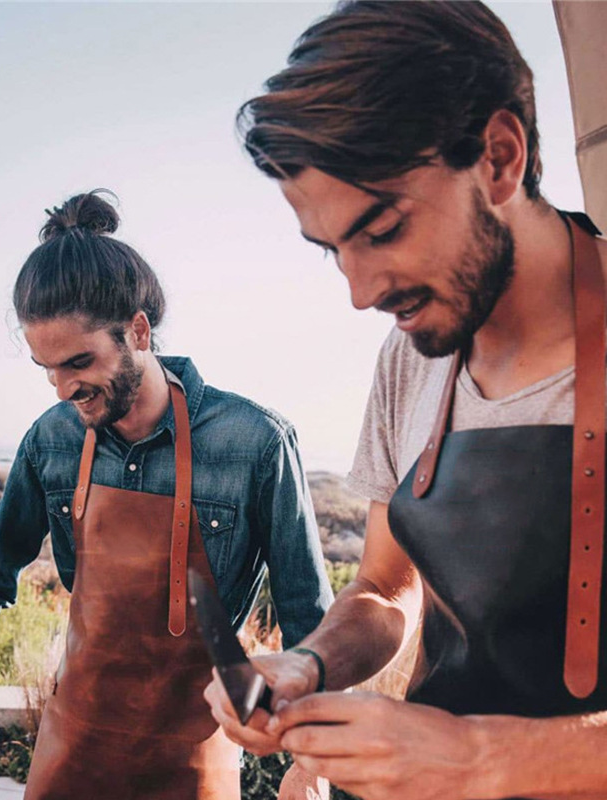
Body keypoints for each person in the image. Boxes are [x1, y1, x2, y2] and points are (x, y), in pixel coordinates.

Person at [204, 2, 607, 798]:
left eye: (381, 230)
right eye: (334, 252)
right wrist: (306, 664)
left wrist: (481, 760)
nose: (360, 293)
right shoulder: (410, 358)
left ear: (498, 157)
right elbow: (387, 589)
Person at [0, 190, 333, 799]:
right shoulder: (50, 440)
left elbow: (309, 616)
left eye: (79, 363)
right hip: (73, 746)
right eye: (48, 370)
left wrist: (313, 758)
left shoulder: (255, 443)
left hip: (196, 754)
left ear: (139, 331)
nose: (62, 391)